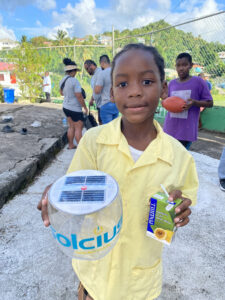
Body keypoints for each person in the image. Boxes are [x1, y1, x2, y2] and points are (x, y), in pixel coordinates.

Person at [38, 44, 199, 300]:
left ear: (164, 89)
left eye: (146, 81)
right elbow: (74, 186)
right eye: (123, 85)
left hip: (139, 282)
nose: (135, 91)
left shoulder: (179, 158)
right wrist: (58, 193)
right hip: (94, 272)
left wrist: (179, 211)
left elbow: (182, 202)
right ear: (112, 93)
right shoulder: (93, 142)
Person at [163, 52, 213, 150]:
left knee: (181, 160)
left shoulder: (198, 82)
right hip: (169, 128)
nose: (181, 68)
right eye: (178, 65)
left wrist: (194, 102)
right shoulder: (172, 83)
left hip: (186, 131)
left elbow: (210, 103)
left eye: (184, 65)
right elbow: (169, 102)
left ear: (190, 65)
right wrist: (163, 99)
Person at [60, 58, 88, 149]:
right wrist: (84, 107)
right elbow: (79, 96)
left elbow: (61, 93)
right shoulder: (74, 81)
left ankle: (71, 145)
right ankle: (82, 149)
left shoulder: (63, 80)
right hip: (75, 108)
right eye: (75, 71)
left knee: (71, 126)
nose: (76, 73)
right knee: (78, 128)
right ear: (73, 71)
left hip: (66, 107)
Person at [94, 54, 119, 124]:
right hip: (117, 104)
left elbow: (97, 90)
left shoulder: (102, 73)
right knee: (115, 127)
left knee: (107, 129)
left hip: (106, 104)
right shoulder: (116, 72)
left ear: (102, 63)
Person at [84, 60, 102, 124]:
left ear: (92, 66)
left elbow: (97, 89)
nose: (87, 71)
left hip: (103, 104)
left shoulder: (99, 73)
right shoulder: (97, 73)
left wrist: (92, 99)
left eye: (87, 69)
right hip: (101, 103)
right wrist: (92, 99)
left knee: (103, 123)